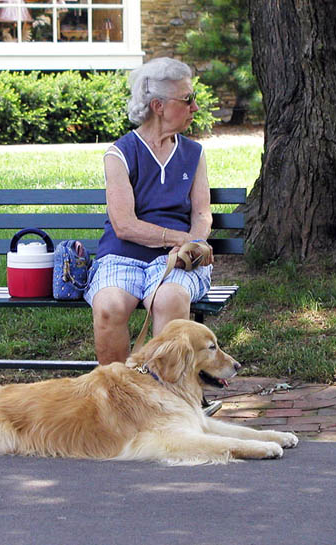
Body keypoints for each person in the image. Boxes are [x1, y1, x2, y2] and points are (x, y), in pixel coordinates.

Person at [84, 57, 214, 365]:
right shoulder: (119, 153)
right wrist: (177, 237)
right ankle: (117, 400)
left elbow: (201, 213)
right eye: (188, 99)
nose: (195, 107)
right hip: (121, 255)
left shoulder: (193, 153)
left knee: (170, 298)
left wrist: (194, 243)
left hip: (174, 259)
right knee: (108, 307)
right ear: (159, 106)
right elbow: (124, 225)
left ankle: (166, 401)